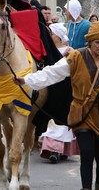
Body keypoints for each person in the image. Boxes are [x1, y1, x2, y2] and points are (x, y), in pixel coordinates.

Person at [13, 21, 99, 190]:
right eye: (97, 42)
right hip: (81, 113)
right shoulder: (76, 57)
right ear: (90, 42)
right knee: (87, 154)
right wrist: (27, 80)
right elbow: (53, 72)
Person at [39, 23, 79, 163]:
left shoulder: (70, 51)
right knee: (50, 120)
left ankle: (59, 150)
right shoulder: (48, 50)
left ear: (59, 36)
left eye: (53, 34)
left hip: (65, 90)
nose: (50, 36)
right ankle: (52, 149)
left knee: (62, 121)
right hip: (50, 89)